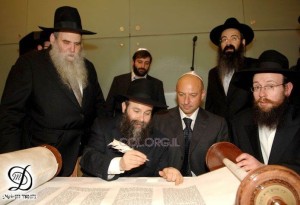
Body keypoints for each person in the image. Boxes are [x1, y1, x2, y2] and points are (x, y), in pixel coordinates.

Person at [0, 6, 106, 176]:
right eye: (66, 42)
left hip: (84, 158)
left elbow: (100, 109)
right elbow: (9, 116)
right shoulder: (29, 65)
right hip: (44, 159)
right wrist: (11, 163)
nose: (72, 49)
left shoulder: (88, 68)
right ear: (53, 39)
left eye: (77, 44)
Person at [80, 79, 183, 185]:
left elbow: (160, 174)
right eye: (136, 111)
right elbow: (87, 159)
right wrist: (119, 164)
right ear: (124, 107)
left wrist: (168, 173)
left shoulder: (161, 140)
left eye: (147, 113)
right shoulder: (103, 127)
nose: (141, 119)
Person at [230, 50, 300, 174]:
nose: (262, 94)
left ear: (287, 89)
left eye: (270, 86)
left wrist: (265, 169)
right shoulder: (239, 122)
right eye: (257, 87)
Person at [153, 71, 229, 176]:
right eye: (181, 94)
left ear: (202, 95)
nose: (186, 101)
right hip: (167, 182)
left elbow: (222, 165)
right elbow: (152, 158)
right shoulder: (159, 120)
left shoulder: (217, 124)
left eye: (193, 95)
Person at [205, 17, 258, 126]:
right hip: (221, 133)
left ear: (243, 42)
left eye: (234, 38)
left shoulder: (254, 67)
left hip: (247, 131)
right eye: (224, 39)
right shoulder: (213, 73)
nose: (228, 43)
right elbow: (210, 108)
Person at [105, 48, 166, 117]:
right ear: (133, 62)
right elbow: (108, 108)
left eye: (146, 63)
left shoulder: (157, 84)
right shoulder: (118, 81)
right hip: (120, 125)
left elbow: (162, 111)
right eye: (140, 62)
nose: (143, 66)